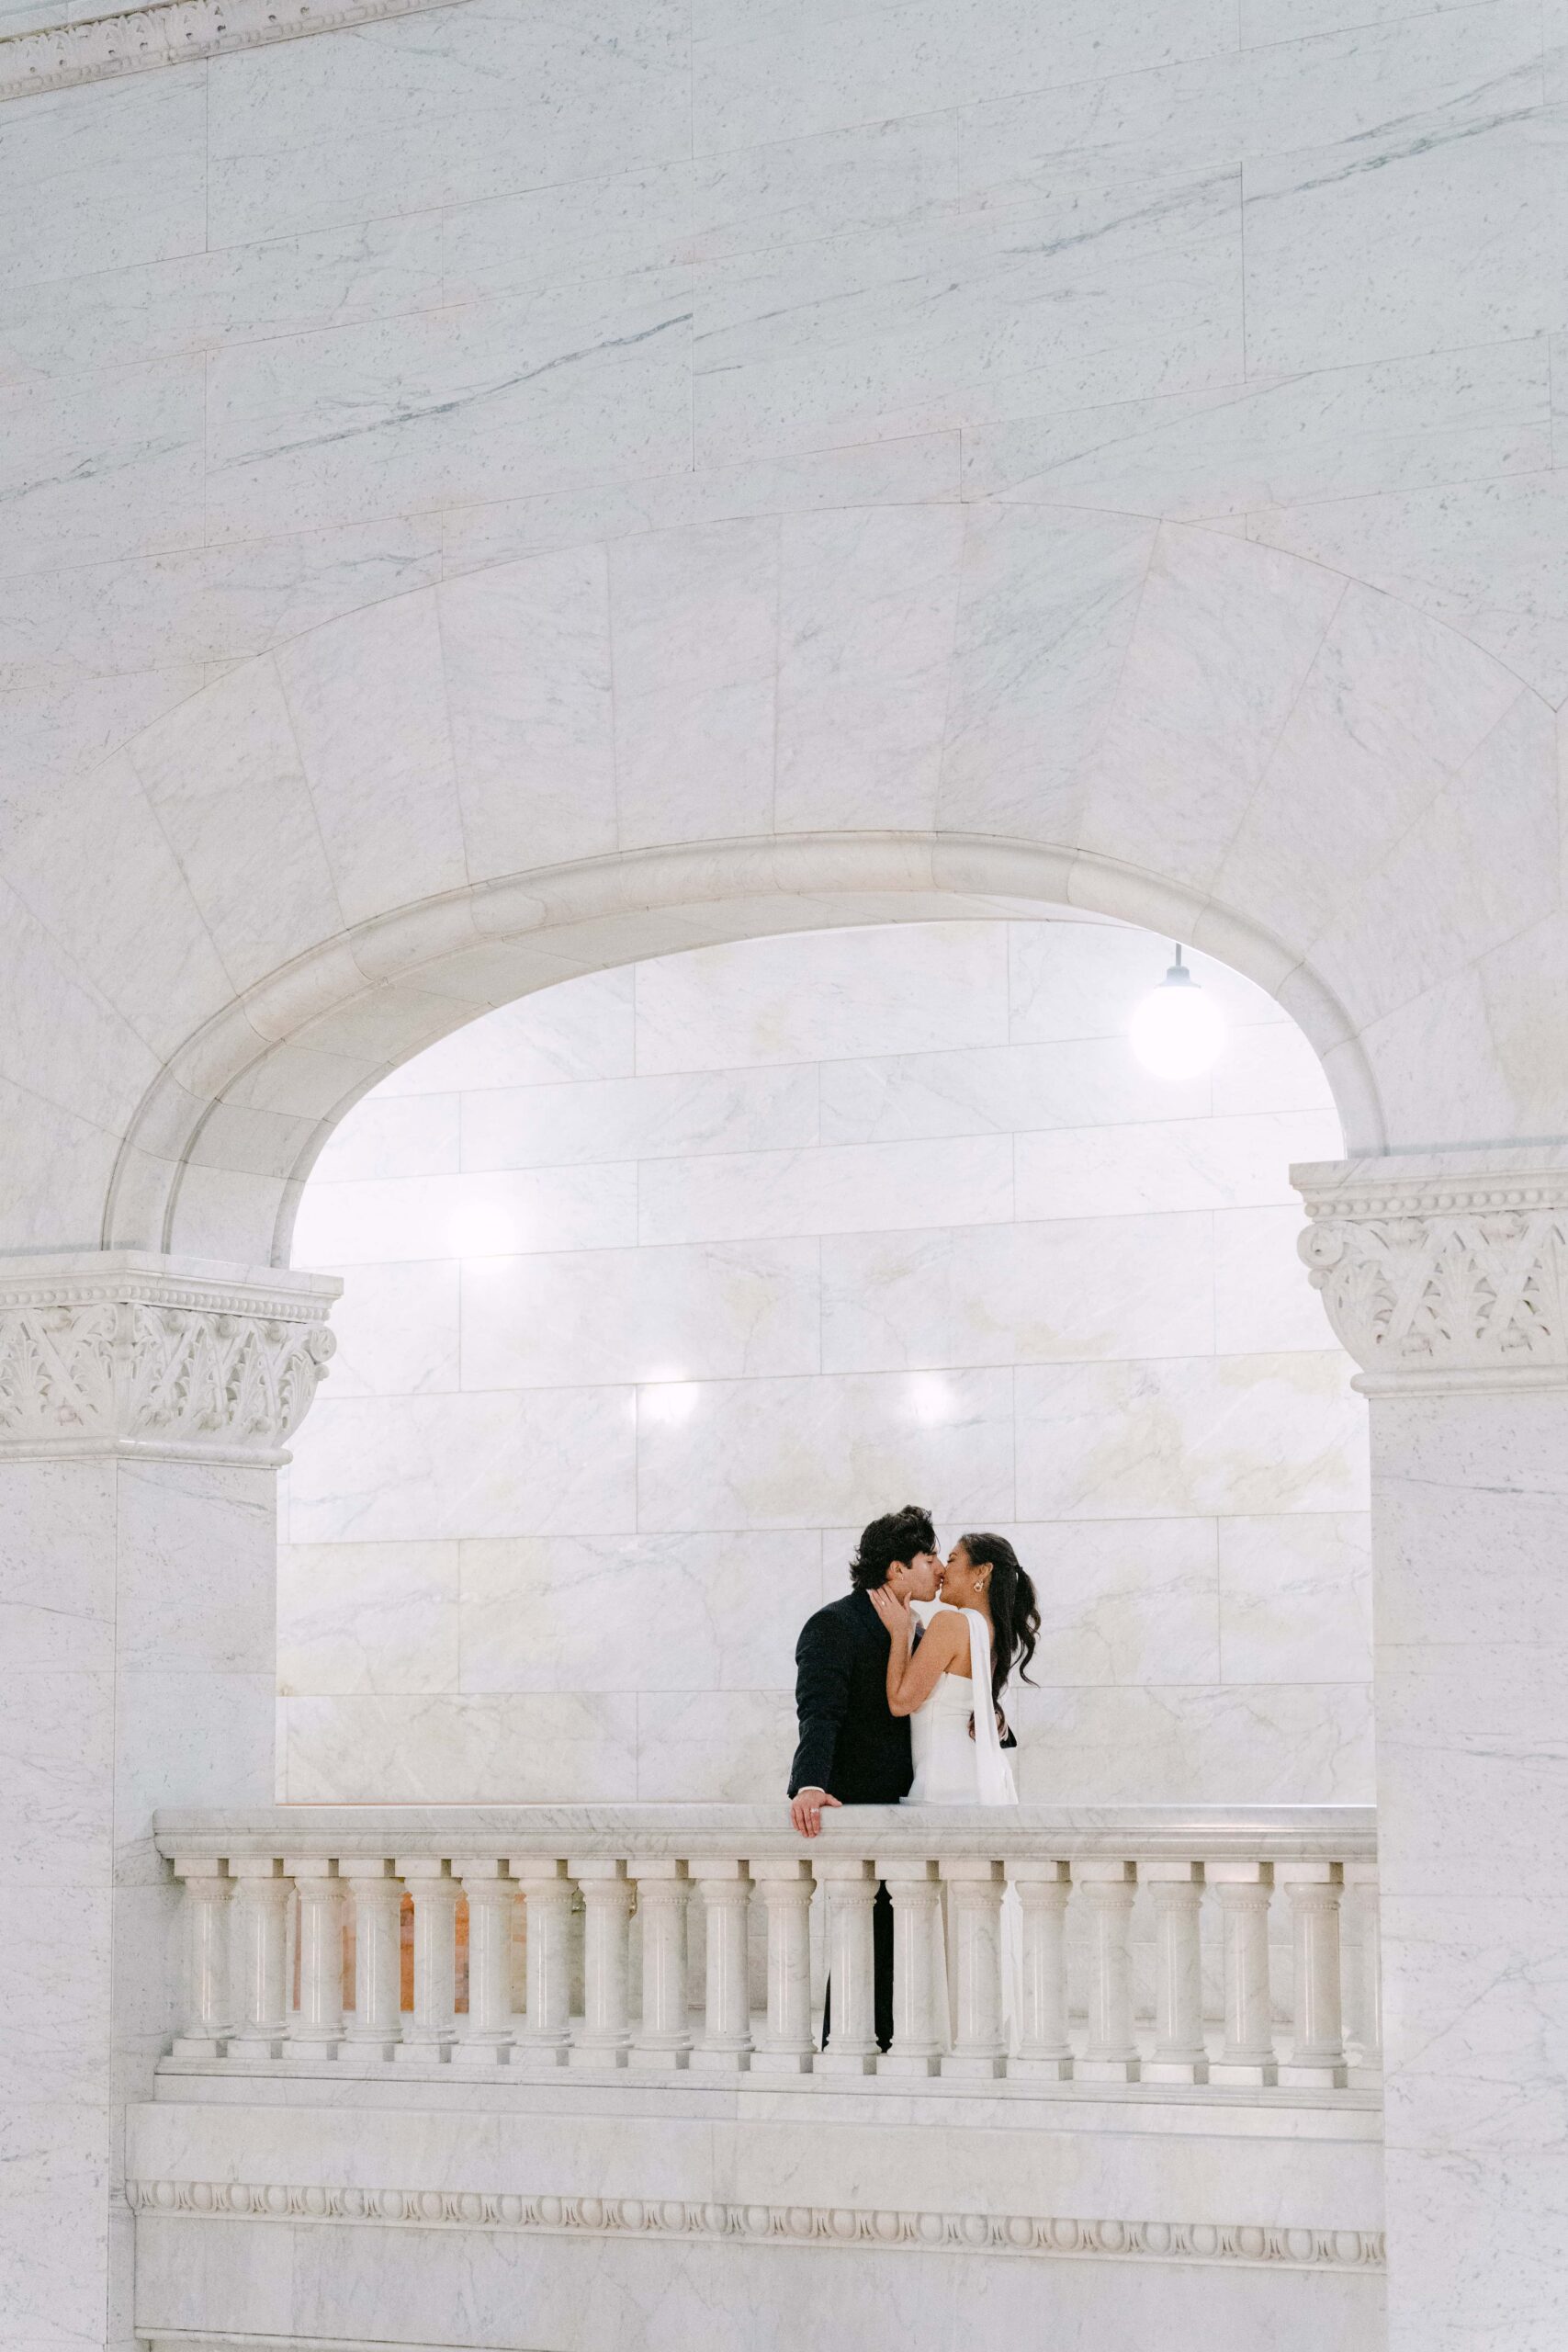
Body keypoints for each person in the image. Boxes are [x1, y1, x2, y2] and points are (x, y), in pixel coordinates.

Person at [870, 1533, 1041, 2045]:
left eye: (955, 1559)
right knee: (968, 1920)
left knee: (936, 1918)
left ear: (981, 1572)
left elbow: (901, 1701)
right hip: (968, 1783)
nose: (944, 1569)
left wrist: (901, 1633)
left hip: (943, 1786)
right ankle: (975, 2028)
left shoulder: (949, 1624)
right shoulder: (989, 1630)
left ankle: (939, 2033)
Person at [787, 1504, 942, 2053]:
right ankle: (850, 2043)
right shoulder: (834, 1623)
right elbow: (819, 1712)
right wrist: (809, 1784)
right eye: (928, 1558)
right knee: (864, 1933)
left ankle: (898, 2040)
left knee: (906, 1936)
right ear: (896, 1570)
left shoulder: (924, 1628)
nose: (939, 1568)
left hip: (919, 1801)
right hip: (861, 1804)